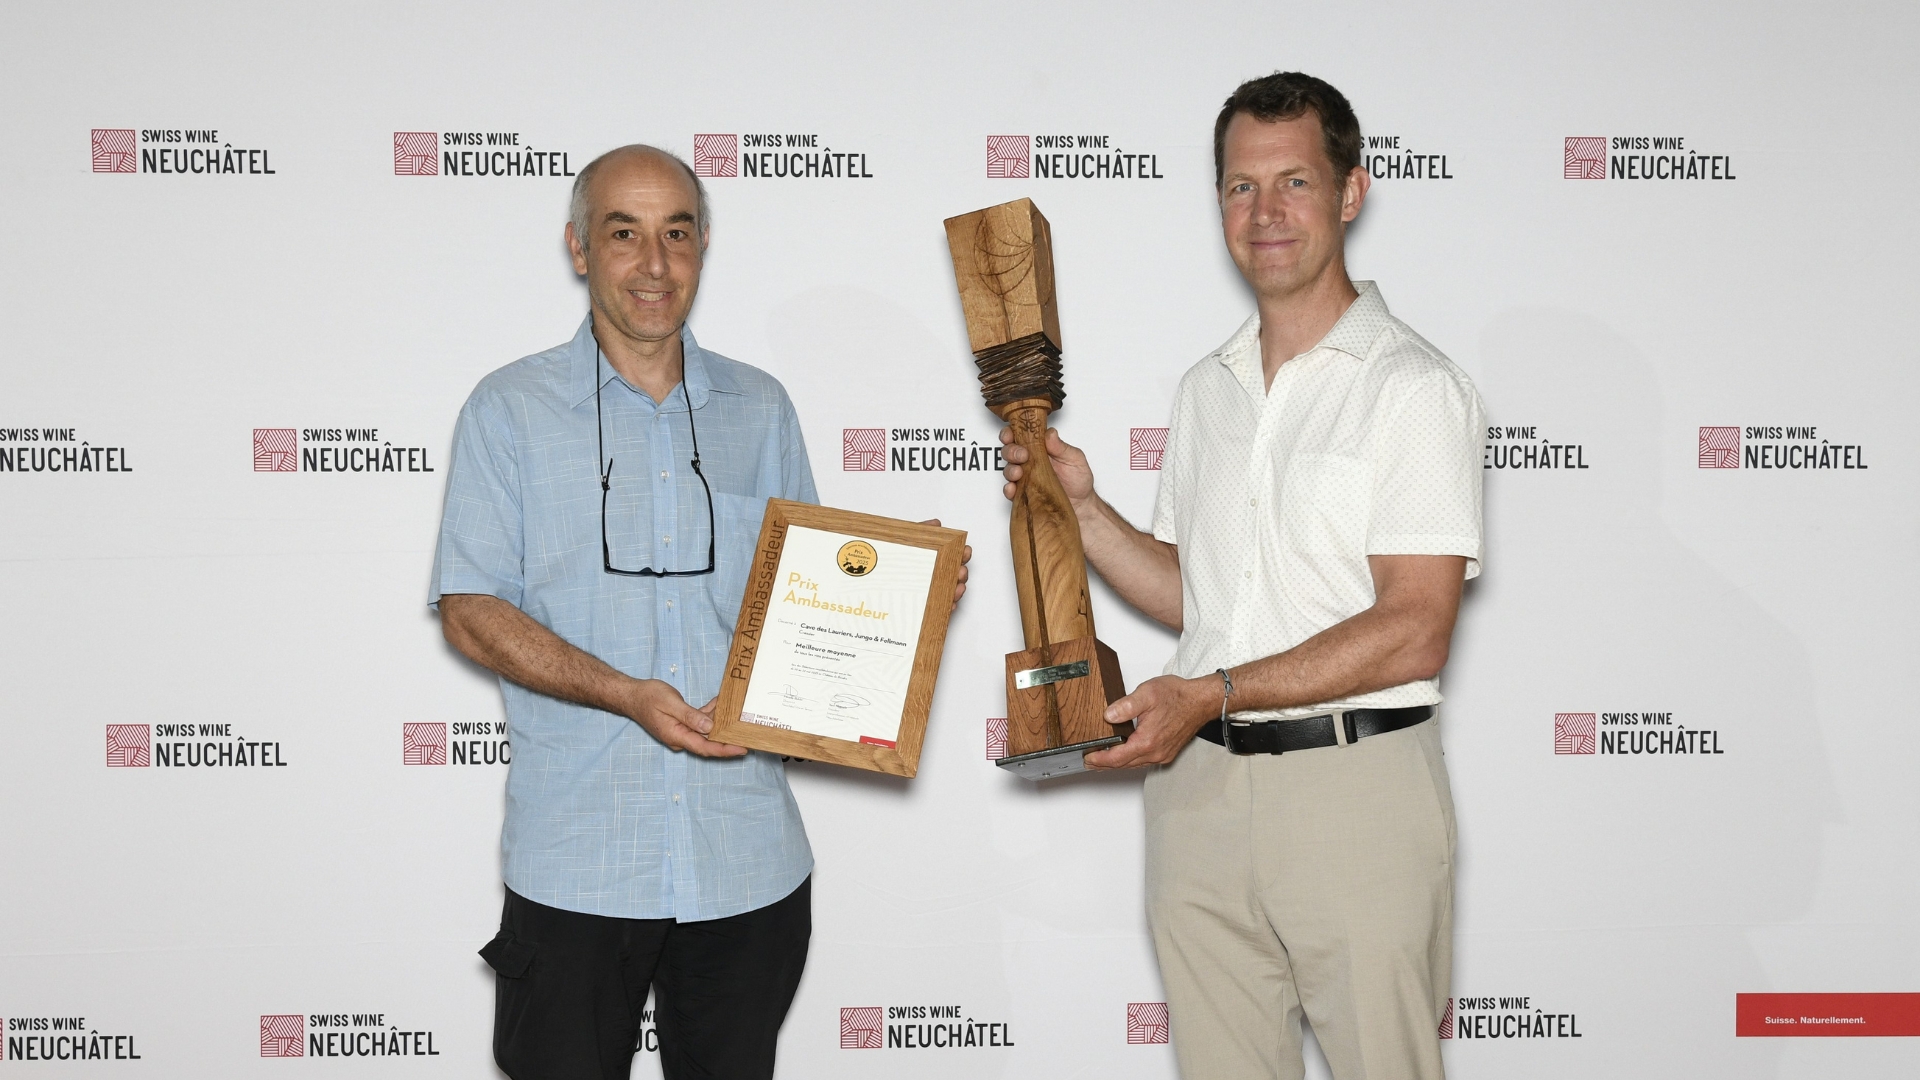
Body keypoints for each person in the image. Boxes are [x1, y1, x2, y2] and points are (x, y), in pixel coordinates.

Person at [431, 144, 964, 1080]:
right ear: (579, 249)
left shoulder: (761, 409)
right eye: (624, 233)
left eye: (677, 233)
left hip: (746, 865)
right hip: (576, 865)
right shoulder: (506, 410)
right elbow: (472, 609)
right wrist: (625, 693)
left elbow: (809, 619)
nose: (654, 263)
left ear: (704, 247)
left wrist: (902, 598)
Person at [1001, 73, 1484, 1080]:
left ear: (1352, 193)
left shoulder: (1414, 388)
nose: (1264, 214)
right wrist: (1083, 510)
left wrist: (1213, 691)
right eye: (1238, 187)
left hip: (1355, 793)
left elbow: (1414, 627)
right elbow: (1203, 599)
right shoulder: (1204, 390)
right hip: (1200, 797)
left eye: (1294, 181)